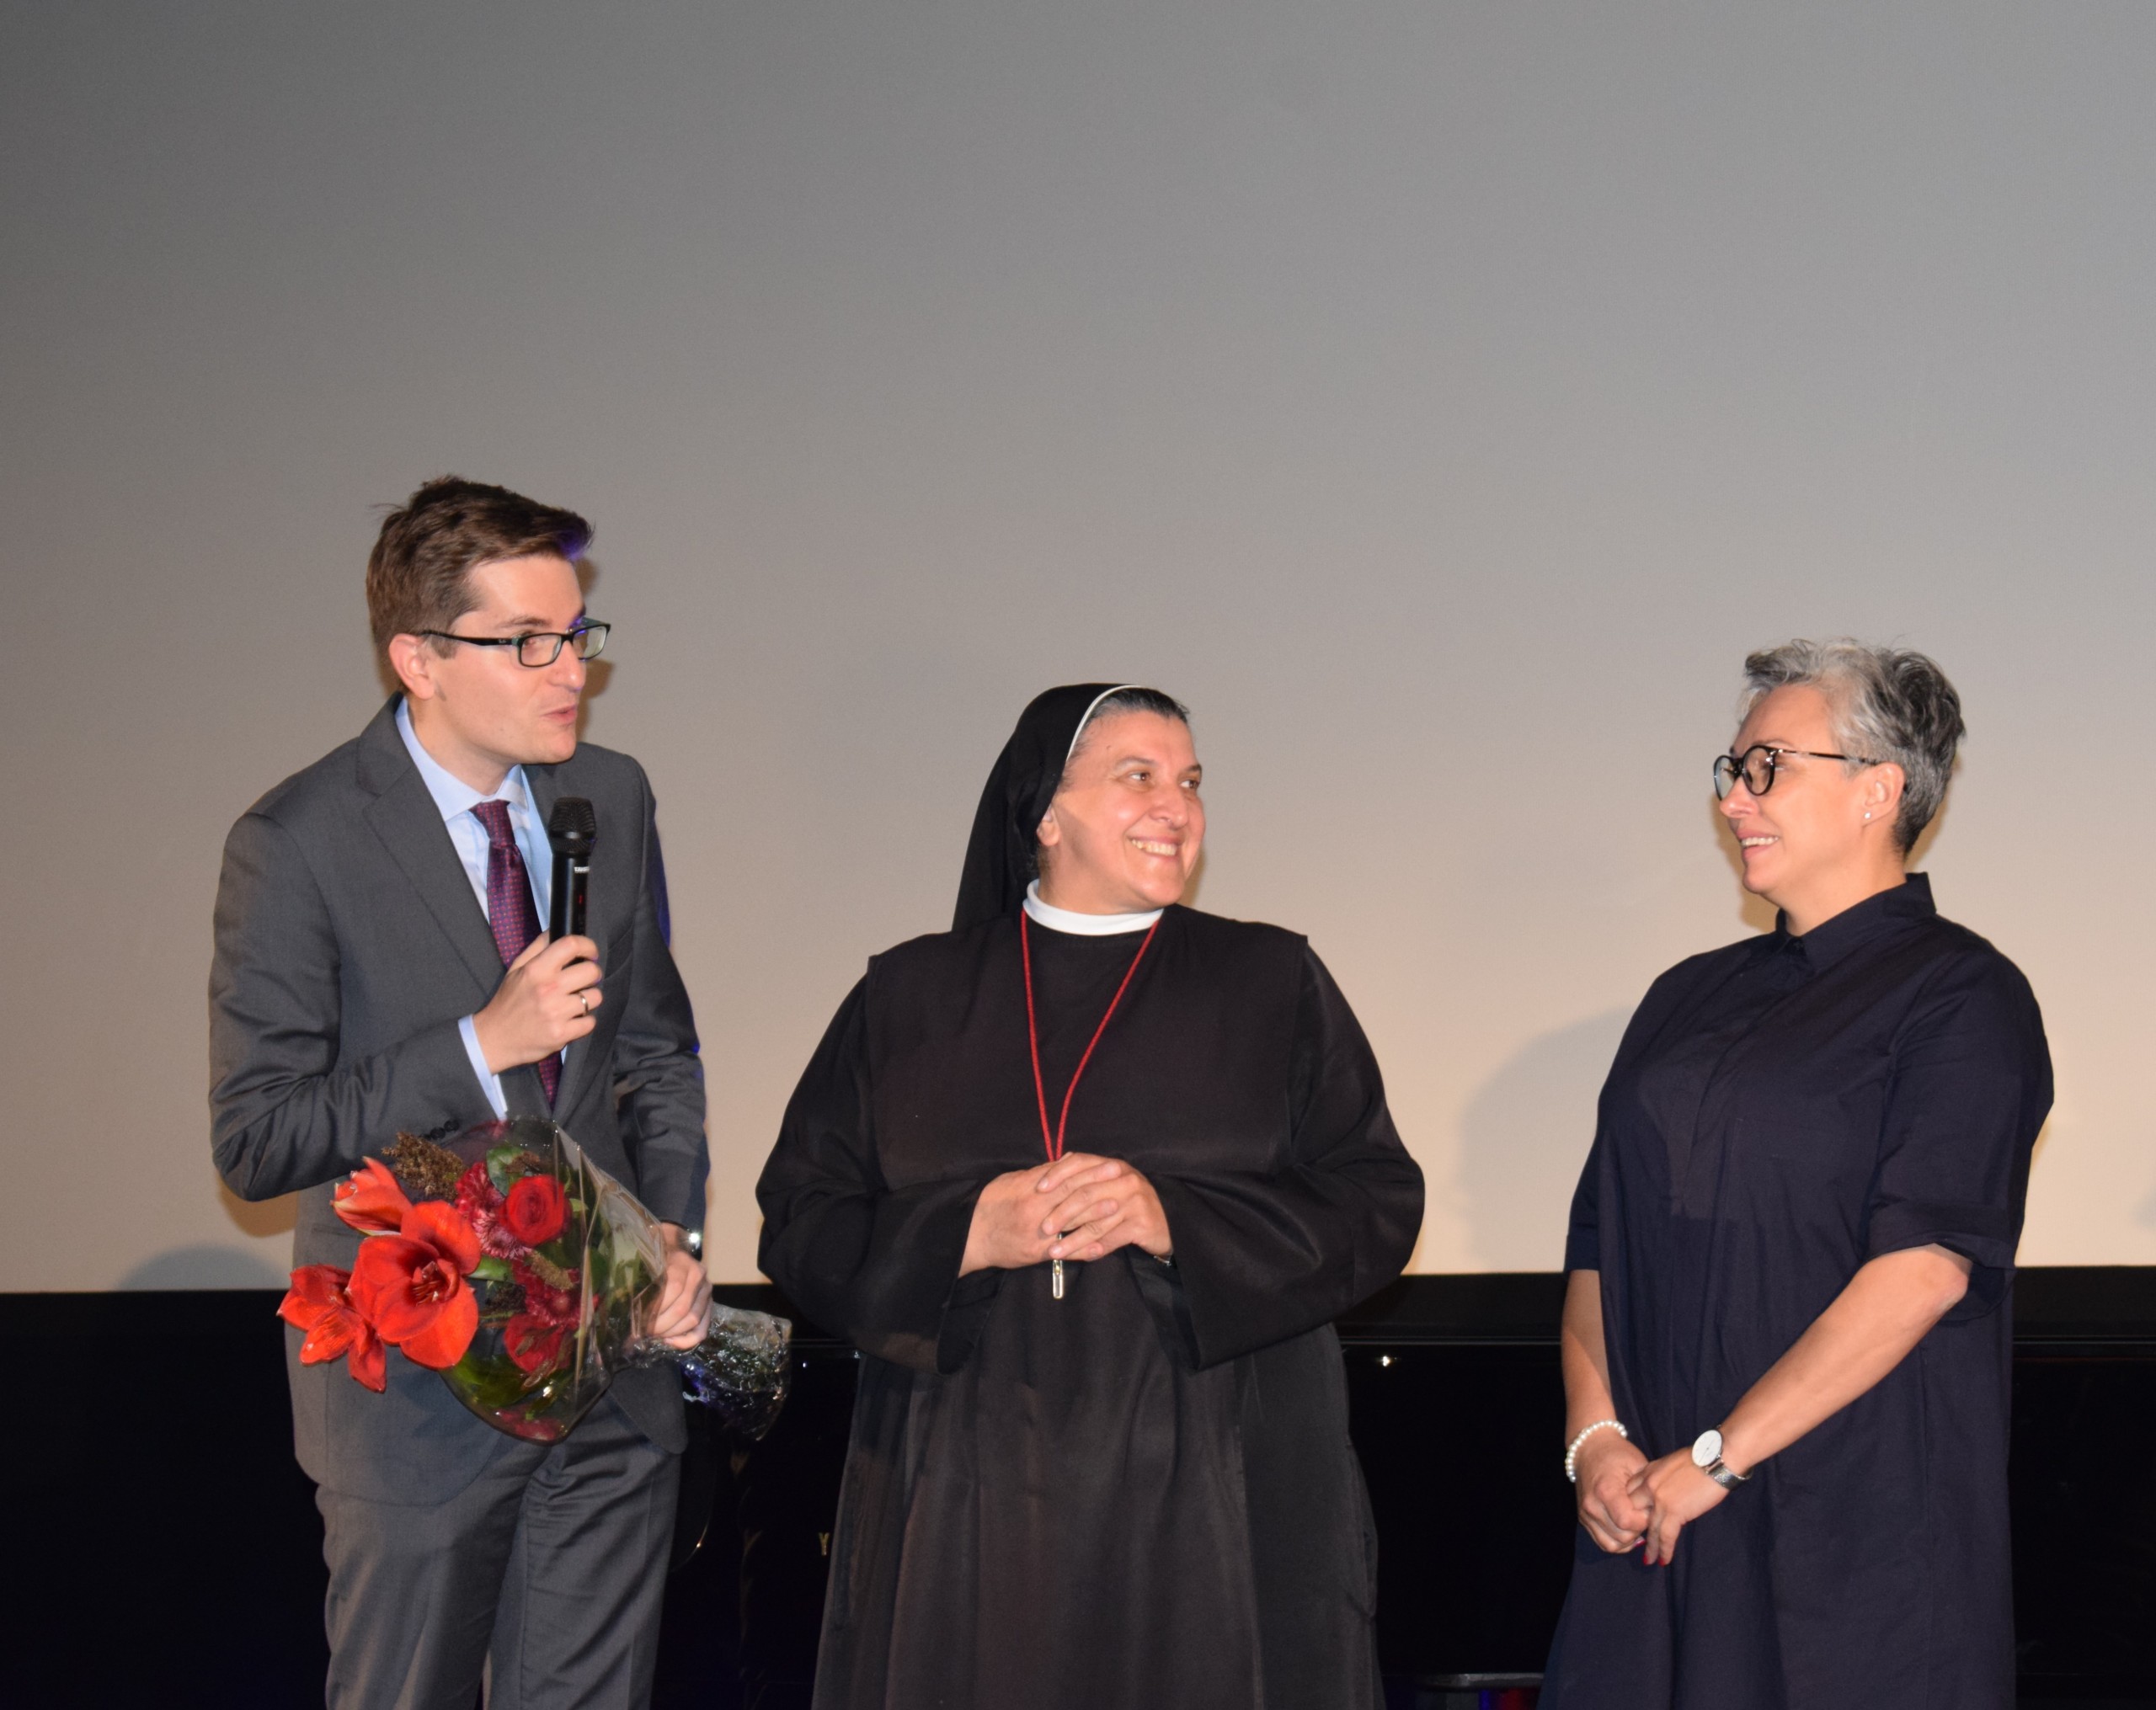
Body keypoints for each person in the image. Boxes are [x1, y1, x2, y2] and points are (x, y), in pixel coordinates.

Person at [755, 684, 1424, 1710]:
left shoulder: (1268, 979)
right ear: (1044, 813)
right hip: (969, 1480)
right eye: (1137, 776)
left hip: (1218, 1473)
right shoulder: (911, 995)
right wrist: (965, 1233)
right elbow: (802, 1218)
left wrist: (1175, 1221)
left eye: (1189, 782)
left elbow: (1375, 1202)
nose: (1176, 807)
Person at [210, 477, 714, 1709]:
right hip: (420, 1402)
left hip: (613, 1375)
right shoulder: (300, 840)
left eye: (577, 634)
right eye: (527, 641)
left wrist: (673, 1235)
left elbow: (655, 1053)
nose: (570, 671)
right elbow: (258, 1137)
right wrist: (480, 1042)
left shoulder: (613, 794)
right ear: (418, 658)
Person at [1540, 641, 2052, 1710]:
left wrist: (1717, 1459)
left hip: (1847, 1545)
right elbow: (1598, 1244)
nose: (1734, 800)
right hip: (1650, 1524)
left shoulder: (1962, 996)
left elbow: (1925, 1269)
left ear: (1878, 789)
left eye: (1767, 767)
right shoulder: (1682, 997)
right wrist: (1596, 1442)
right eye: (1731, 770)